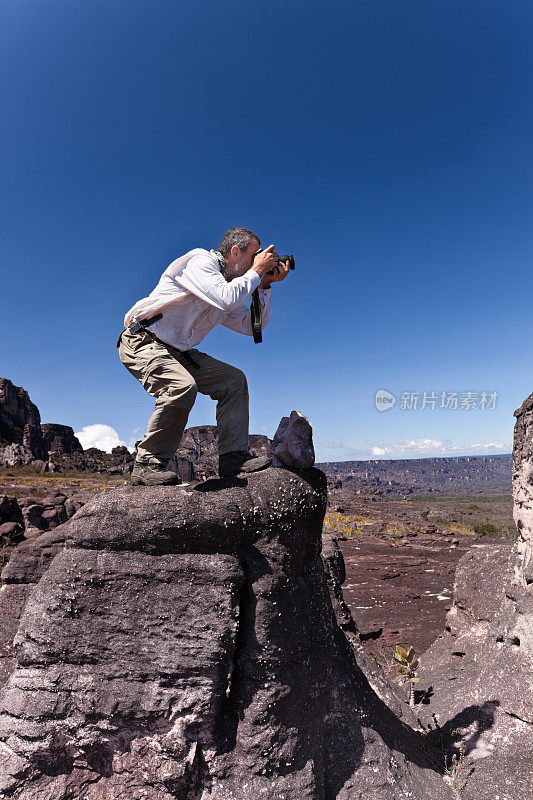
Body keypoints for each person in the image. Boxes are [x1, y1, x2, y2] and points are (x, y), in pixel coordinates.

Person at [117, 227, 291, 485]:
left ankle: (233, 456)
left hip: (179, 351)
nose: (258, 261)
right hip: (143, 340)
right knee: (181, 386)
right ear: (235, 251)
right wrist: (256, 272)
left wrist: (264, 286)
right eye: (254, 255)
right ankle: (147, 464)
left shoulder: (229, 288)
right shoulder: (201, 262)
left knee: (233, 380)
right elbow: (226, 298)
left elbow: (251, 326)